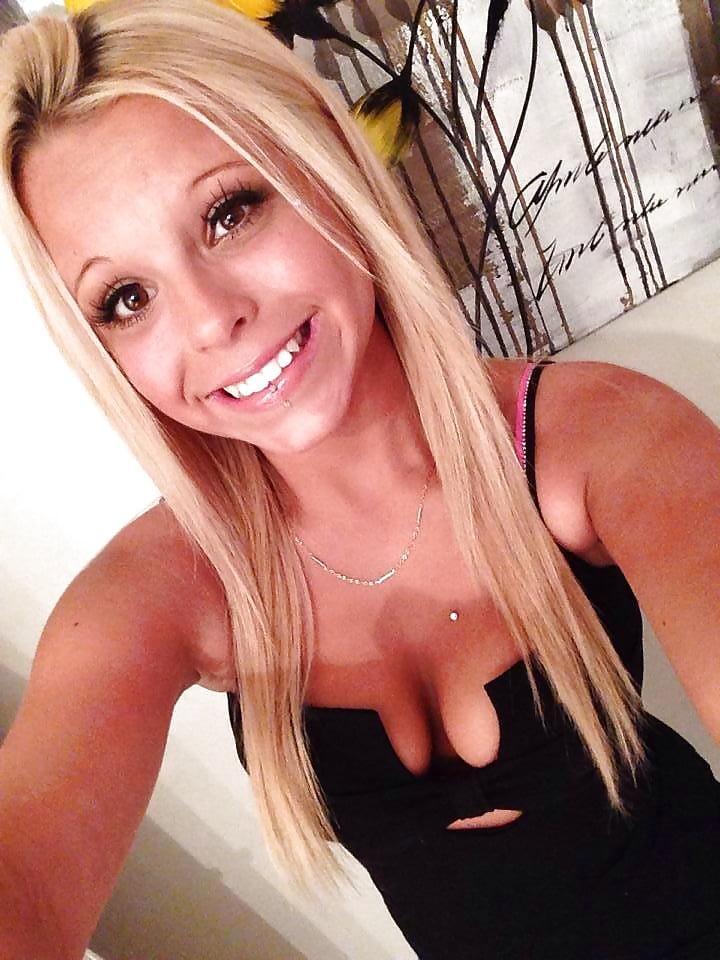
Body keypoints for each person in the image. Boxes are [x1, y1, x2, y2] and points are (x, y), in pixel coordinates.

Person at [0, 0, 718, 957]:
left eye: (229, 212)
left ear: (329, 168)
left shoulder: (603, 437)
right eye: (126, 298)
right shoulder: (163, 594)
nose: (211, 320)